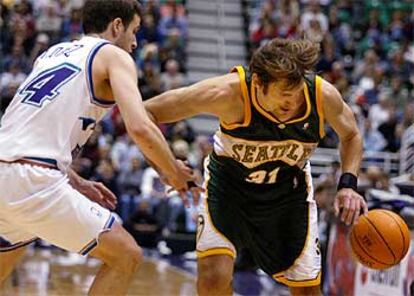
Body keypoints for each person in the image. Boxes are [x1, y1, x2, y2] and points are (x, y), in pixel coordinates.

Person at [144, 38, 368, 296]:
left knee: (307, 291)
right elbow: (147, 112)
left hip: (287, 198)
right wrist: (167, 167)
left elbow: (351, 136)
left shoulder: (321, 95)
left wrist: (348, 185)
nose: (292, 104)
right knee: (212, 280)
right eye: (284, 97)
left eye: (296, 95)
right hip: (229, 192)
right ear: (258, 83)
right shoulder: (227, 93)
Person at [0, 0, 195, 295]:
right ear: (117, 26)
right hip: (33, 183)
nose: (135, 41)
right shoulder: (113, 56)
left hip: (9, 171)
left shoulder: (51, 54)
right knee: (126, 256)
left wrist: (75, 181)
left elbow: (23, 131)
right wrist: (172, 171)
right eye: (134, 30)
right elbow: (140, 126)